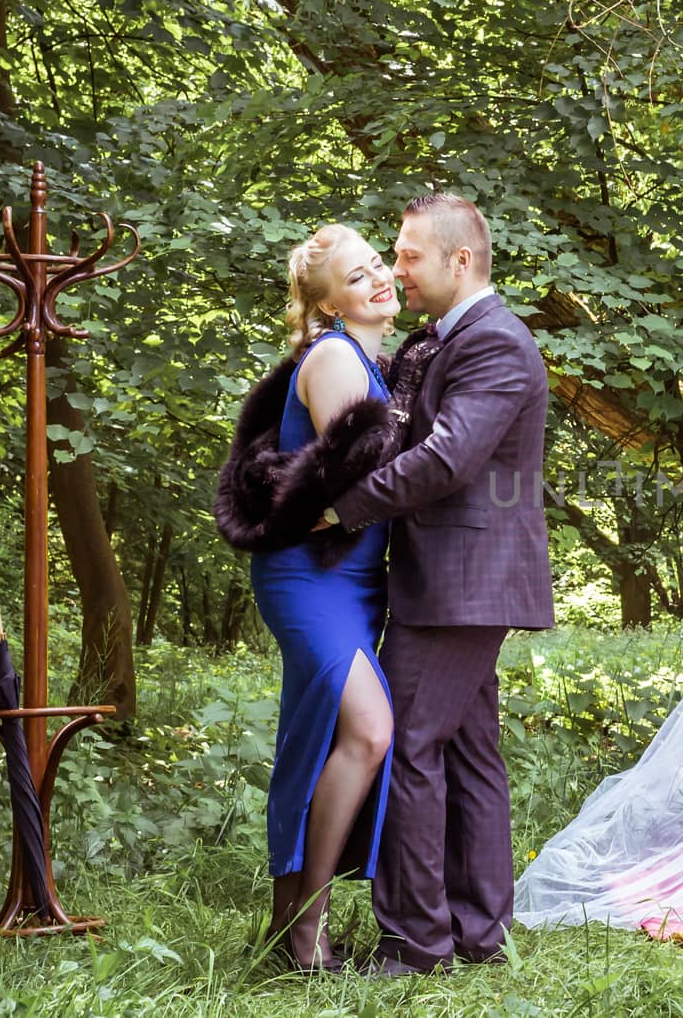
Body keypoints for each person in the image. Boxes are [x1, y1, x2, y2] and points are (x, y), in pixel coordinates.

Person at [324, 193, 555, 975]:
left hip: (465, 581)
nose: (397, 269)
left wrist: (341, 508)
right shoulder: (451, 339)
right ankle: (476, 930)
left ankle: (416, 945)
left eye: (410, 254)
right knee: (466, 752)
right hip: (456, 578)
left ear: (461, 260)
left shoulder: (497, 343)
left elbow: (448, 458)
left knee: (407, 746)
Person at [215, 223, 415, 971]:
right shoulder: (334, 356)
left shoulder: (370, 358)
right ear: (329, 304)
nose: (377, 280)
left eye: (378, 267)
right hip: (310, 575)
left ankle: (285, 926)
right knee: (367, 732)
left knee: (320, 739)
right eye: (357, 276)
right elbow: (350, 478)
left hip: (355, 577)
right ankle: (305, 930)